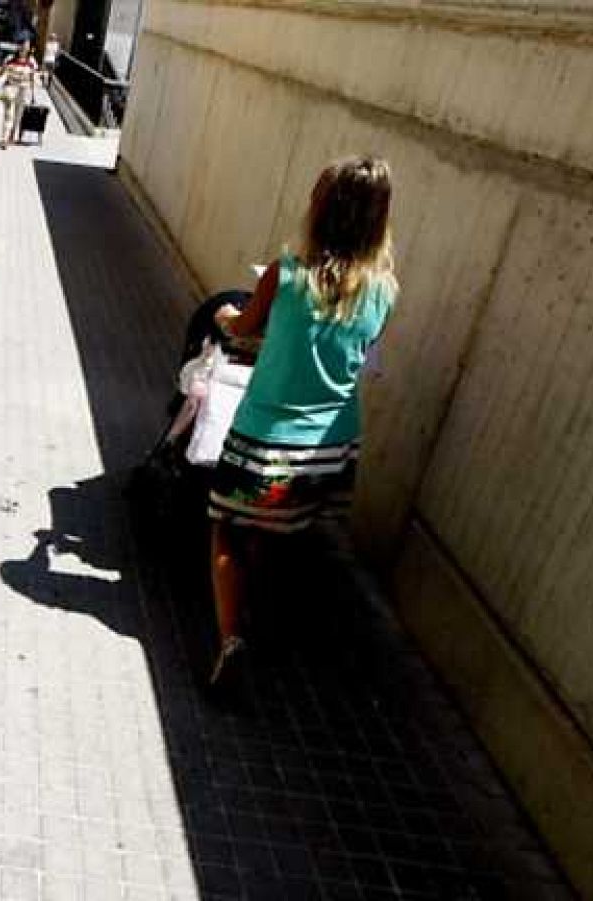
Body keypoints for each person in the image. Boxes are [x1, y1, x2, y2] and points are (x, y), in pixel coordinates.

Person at [205, 156, 398, 690]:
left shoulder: (285, 276)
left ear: (321, 210)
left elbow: (241, 330)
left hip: (266, 442)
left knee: (225, 527)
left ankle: (231, 640)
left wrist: (226, 318)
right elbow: (353, 353)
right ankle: (265, 625)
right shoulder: (384, 292)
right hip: (330, 450)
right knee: (281, 534)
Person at [0, 44, 38, 147]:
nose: (23, 48)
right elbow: (1, 71)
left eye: (26, 47)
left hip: (23, 90)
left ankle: (12, 135)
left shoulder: (31, 62)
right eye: (22, 46)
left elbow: (32, 78)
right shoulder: (10, 59)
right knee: (8, 115)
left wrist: (33, 95)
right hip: (10, 88)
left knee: (18, 116)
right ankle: (4, 139)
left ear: (29, 49)